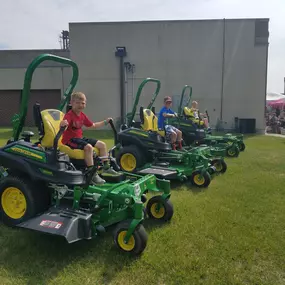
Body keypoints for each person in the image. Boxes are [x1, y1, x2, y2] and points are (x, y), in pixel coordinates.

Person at [60, 91, 118, 184]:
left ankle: (106, 168)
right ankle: (92, 174)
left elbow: (93, 125)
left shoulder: (82, 116)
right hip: (69, 140)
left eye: (82, 103)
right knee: (88, 147)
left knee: (102, 145)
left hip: (79, 138)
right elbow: (64, 124)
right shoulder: (69, 115)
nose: (80, 105)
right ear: (71, 103)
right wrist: (63, 124)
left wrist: (105, 122)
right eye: (77, 103)